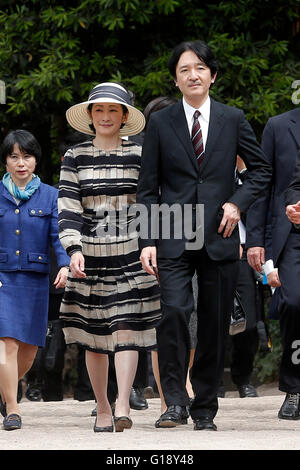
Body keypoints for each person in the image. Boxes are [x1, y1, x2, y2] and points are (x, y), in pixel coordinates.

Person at [136, 40, 272, 431]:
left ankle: (205, 408)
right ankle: (174, 402)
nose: (192, 75)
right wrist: (148, 240)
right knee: (175, 311)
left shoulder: (233, 118)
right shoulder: (161, 123)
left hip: (219, 233)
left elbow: (260, 169)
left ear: (212, 75)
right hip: (173, 233)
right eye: (184, 70)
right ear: (176, 80)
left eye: (199, 68)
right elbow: (148, 186)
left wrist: (236, 203)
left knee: (213, 324)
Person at [58, 82, 161, 433]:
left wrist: (151, 242)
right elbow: (69, 209)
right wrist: (73, 250)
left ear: (124, 116)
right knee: (95, 337)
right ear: (90, 115)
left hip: (132, 253)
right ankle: (102, 406)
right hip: (90, 257)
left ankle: (121, 404)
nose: (105, 116)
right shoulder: (74, 157)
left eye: (113, 110)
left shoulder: (140, 154)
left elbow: (149, 202)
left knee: (127, 329)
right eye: (99, 110)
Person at [0, 129, 69, 430]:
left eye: (26, 156)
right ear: (5, 161)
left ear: (36, 160)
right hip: (2, 279)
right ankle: (13, 408)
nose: (21, 163)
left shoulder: (52, 196)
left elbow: (58, 237)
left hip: (36, 279)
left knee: (28, 351)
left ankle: (3, 392)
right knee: (7, 345)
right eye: (14, 156)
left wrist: (65, 264)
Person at [247, 107, 300, 420]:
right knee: (294, 303)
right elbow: (262, 185)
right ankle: (294, 388)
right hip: (290, 234)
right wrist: (256, 240)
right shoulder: (278, 125)